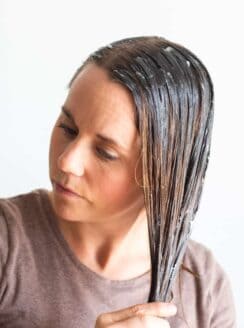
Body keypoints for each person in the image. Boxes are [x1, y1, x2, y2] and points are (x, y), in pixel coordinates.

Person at [0, 36, 236, 327]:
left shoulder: (205, 289)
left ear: (161, 174)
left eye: (105, 152)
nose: (67, 162)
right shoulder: (8, 242)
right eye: (68, 128)